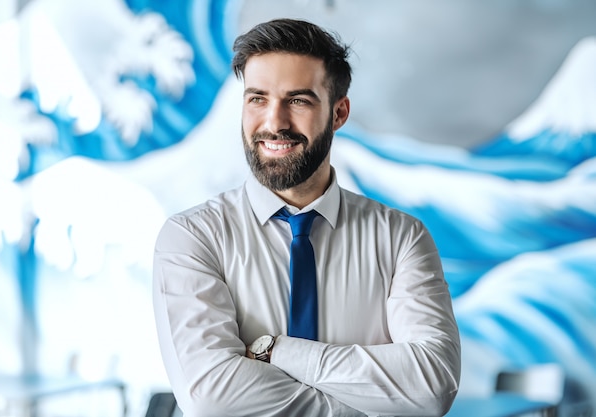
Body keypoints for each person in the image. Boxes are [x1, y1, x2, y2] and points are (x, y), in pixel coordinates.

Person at [153, 18, 460, 417]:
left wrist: (278, 352)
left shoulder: (401, 238)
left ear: (339, 112)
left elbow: (433, 384)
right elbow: (212, 398)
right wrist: (369, 403)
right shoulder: (193, 238)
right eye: (257, 99)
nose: (274, 122)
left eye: (298, 100)